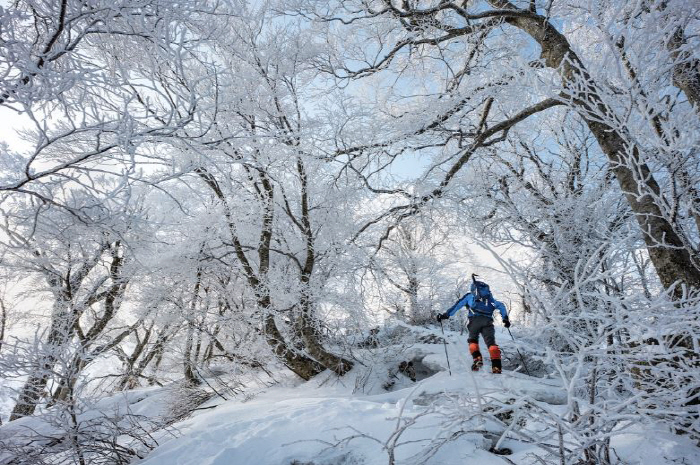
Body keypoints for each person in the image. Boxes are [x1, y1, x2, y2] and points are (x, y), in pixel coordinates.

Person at [437, 278, 510, 374]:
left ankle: (477, 359)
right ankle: (496, 367)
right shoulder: (490, 300)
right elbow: (501, 305)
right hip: (488, 322)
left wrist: (446, 315)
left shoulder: (470, 296)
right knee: (491, 343)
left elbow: (457, 305)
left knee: (473, 340)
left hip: (474, 321)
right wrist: (505, 318)